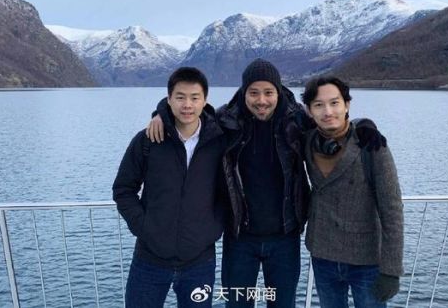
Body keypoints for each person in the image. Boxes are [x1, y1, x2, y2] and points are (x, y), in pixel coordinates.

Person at [146, 59, 386, 308]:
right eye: (254, 93)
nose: (261, 100)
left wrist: (364, 124)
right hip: (240, 239)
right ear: (244, 92)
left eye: (268, 92)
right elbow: (190, 114)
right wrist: (161, 113)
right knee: (238, 304)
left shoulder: (296, 119)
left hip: (285, 238)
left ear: (278, 91)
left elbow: (332, 123)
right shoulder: (225, 120)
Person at [113, 67, 226, 308]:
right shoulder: (148, 139)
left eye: (194, 98)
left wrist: (211, 230)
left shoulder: (219, 142)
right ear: (169, 99)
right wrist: (144, 227)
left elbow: (227, 193)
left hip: (199, 262)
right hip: (149, 260)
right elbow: (123, 189)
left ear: (205, 100)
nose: (187, 105)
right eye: (180, 97)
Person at [301, 73, 404, 308]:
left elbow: (392, 209)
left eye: (334, 103)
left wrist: (392, 270)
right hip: (323, 254)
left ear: (347, 105)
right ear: (309, 111)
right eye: (319, 105)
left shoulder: (372, 145)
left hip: (366, 260)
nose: (328, 111)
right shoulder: (307, 141)